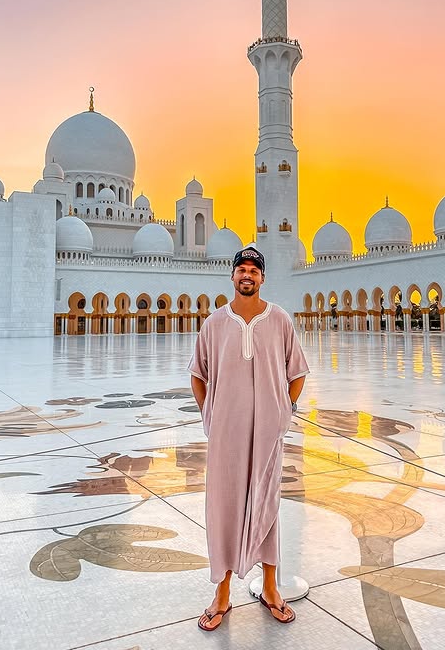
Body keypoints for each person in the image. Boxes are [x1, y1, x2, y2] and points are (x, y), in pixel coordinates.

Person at [188, 247, 309, 632]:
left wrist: (284, 410)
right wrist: (211, 414)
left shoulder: (280, 320)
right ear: (232, 276)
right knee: (223, 508)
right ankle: (221, 594)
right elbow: (198, 373)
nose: (247, 276)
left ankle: (271, 588)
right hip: (226, 434)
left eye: (254, 270)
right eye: (241, 269)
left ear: (262, 278)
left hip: (268, 433)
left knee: (267, 504)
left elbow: (298, 371)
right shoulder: (214, 324)